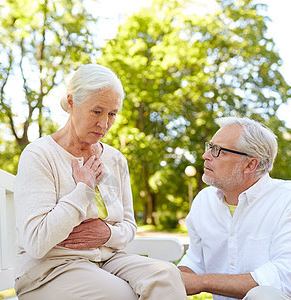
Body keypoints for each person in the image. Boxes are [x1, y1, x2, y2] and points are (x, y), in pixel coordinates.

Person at [13, 64, 186, 300]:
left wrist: (107, 234)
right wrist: (82, 190)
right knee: (120, 294)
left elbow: (128, 226)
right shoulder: (40, 155)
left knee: (167, 276)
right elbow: (36, 242)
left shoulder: (115, 159)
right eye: (97, 111)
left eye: (112, 114)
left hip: (107, 259)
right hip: (51, 269)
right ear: (72, 102)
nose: (104, 124)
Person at [178, 116, 291, 300]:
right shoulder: (203, 200)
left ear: (250, 164)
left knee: (264, 296)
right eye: (209, 146)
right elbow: (195, 262)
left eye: (217, 150)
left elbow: (284, 279)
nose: (206, 155)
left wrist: (202, 282)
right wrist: (167, 277)